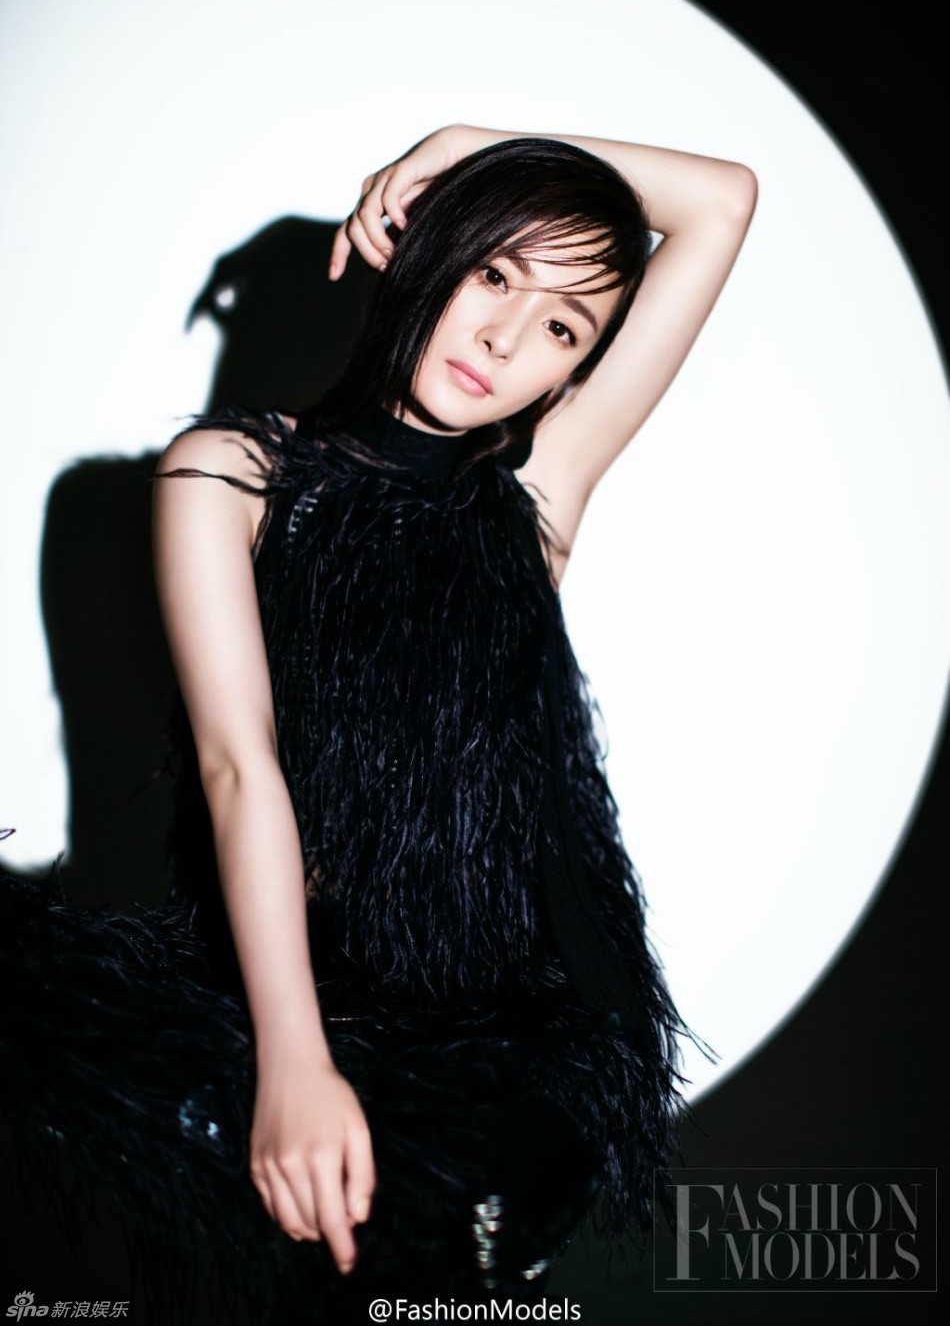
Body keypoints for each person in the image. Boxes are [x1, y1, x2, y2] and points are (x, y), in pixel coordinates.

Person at [0, 123, 756, 1322]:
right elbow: (238, 767)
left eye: (562, 329)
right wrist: (294, 1059)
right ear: (421, 251)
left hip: (503, 1031)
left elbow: (721, 199)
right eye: (492, 272)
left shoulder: (534, 498)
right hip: (285, 995)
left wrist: (464, 141)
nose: (506, 337)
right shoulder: (228, 474)